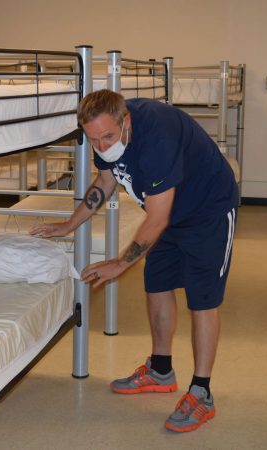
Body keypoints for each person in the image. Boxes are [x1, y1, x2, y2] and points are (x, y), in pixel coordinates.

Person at [30, 89, 238, 433]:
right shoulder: (107, 135)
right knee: (157, 284)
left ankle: (202, 392)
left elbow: (155, 221)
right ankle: (160, 370)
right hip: (165, 211)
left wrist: (119, 263)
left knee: (202, 300)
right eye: (94, 139)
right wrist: (69, 223)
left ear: (126, 120)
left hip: (208, 210)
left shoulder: (157, 135)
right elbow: (106, 179)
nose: (102, 145)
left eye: (108, 136)